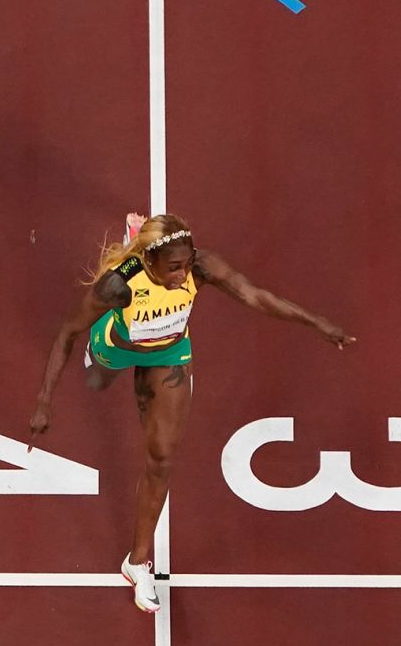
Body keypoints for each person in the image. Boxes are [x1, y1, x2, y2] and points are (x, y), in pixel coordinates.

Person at [29, 213, 354, 613]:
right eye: (173, 268)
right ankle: (135, 240)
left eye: (186, 264)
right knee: (96, 382)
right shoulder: (118, 285)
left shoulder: (199, 267)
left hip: (168, 353)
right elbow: (67, 332)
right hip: (117, 345)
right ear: (149, 263)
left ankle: (136, 563)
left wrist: (314, 322)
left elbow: (254, 295)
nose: (183, 275)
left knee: (161, 460)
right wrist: (45, 401)